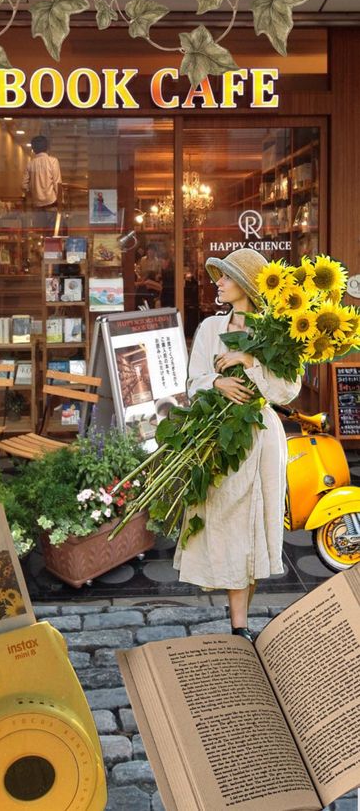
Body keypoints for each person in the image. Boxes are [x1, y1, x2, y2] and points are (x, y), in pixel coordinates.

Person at [173, 248, 301, 642]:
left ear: (245, 286)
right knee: (225, 521)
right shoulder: (211, 328)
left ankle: (239, 625)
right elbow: (191, 379)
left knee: (257, 526)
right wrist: (216, 383)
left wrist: (249, 362)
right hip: (218, 438)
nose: (218, 283)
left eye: (226, 277)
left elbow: (287, 391)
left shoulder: (275, 332)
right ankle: (238, 622)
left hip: (262, 438)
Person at [22, 135, 62, 231]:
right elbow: (57, 183)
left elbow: (23, 185)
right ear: (47, 147)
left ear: (33, 149)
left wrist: (32, 191)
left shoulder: (30, 164)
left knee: (41, 233)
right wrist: (61, 201)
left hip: (37, 204)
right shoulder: (53, 161)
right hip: (51, 202)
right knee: (53, 233)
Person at [135, 244, 162, 308]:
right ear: (147, 251)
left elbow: (159, 274)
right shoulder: (142, 260)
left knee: (142, 293)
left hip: (153, 283)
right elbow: (138, 271)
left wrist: (156, 276)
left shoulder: (157, 261)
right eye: (149, 250)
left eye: (152, 250)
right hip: (143, 282)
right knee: (141, 293)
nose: (150, 252)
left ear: (155, 252)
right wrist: (139, 276)